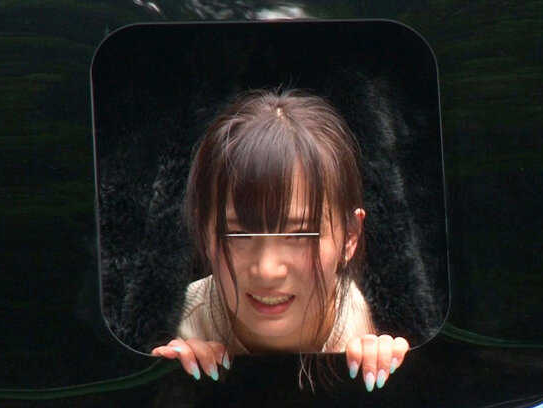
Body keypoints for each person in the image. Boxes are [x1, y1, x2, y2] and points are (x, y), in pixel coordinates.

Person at [152, 89, 409, 391]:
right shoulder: (183, 319)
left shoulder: (363, 322)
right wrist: (170, 383)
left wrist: (389, 368)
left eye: (300, 235)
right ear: (203, 231)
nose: (267, 270)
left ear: (350, 236)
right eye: (239, 234)